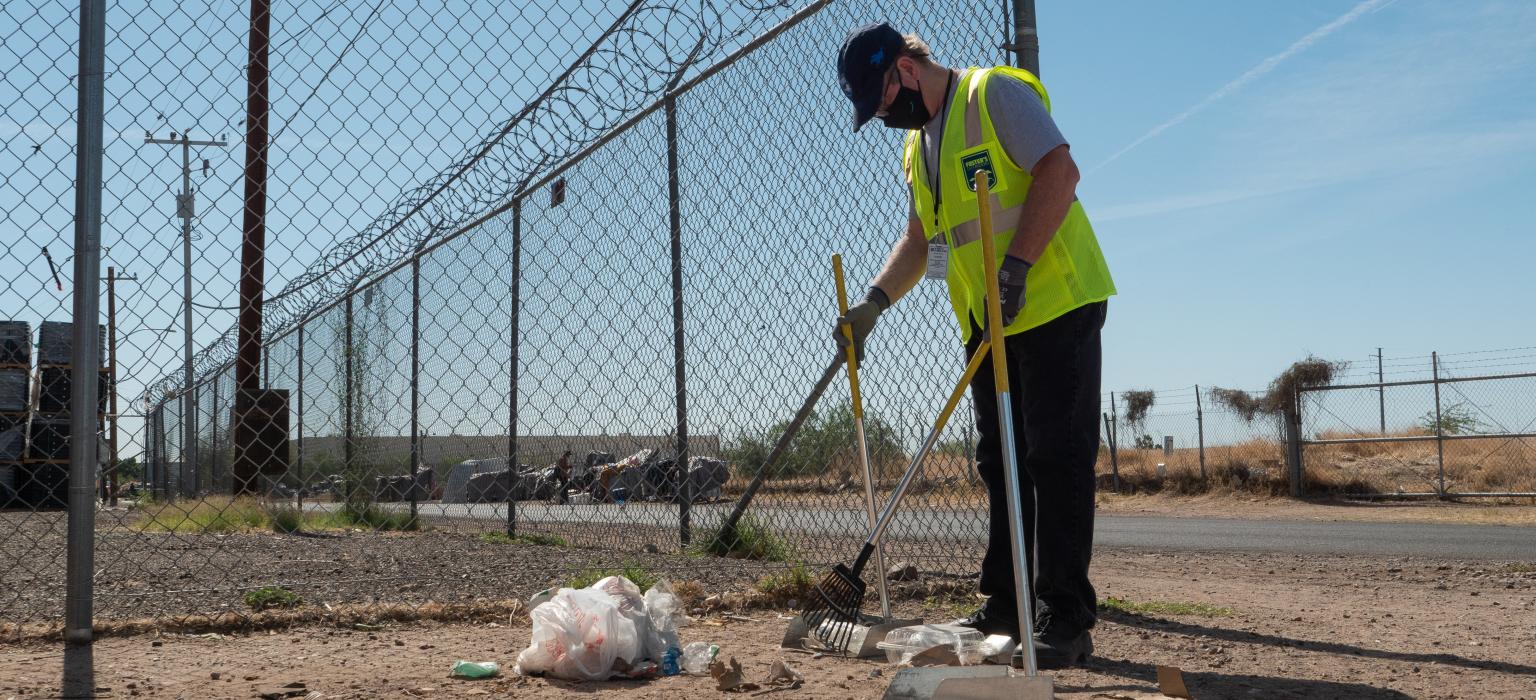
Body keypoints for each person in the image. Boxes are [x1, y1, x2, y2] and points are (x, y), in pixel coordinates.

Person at [834, 22, 1116, 668]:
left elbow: (1060, 170)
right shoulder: (917, 148)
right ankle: (1005, 605)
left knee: (1056, 460)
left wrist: (1016, 265)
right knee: (1000, 461)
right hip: (988, 323)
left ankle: (1065, 618)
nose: (882, 115)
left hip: (1054, 303)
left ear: (905, 68)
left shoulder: (992, 96)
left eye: (880, 98)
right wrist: (873, 304)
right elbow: (919, 240)